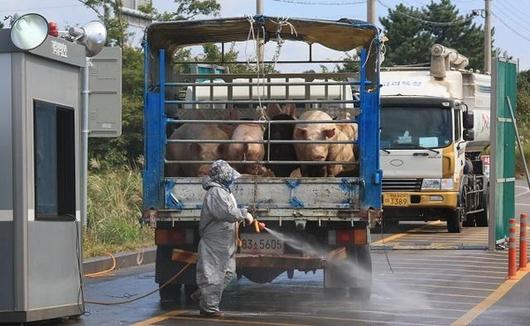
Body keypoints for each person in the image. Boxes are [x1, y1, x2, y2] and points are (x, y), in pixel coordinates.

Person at [193, 160, 254, 317]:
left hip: (225, 242)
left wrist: (242, 215)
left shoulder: (223, 191)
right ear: (222, 177)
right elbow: (226, 213)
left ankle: (203, 294)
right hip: (215, 241)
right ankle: (209, 309)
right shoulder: (216, 192)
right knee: (214, 273)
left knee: (227, 273)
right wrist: (243, 214)